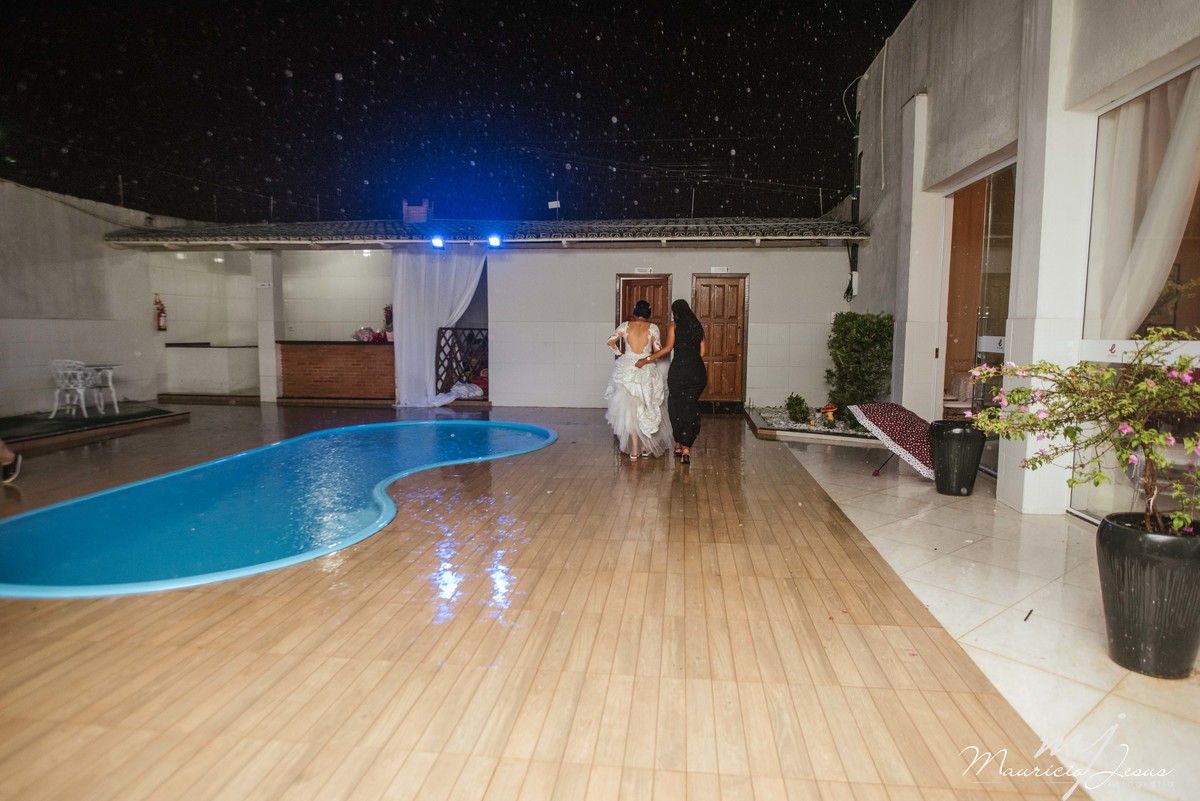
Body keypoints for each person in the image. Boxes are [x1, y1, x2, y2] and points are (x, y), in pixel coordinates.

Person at [640, 299, 706, 464]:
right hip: (697, 372)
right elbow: (703, 352)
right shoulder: (697, 326)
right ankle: (686, 447)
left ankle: (678, 443)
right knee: (690, 407)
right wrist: (692, 360)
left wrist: (647, 359)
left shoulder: (674, 326)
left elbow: (668, 348)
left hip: (679, 372)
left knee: (675, 406)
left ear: (675, 312)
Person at [605, 300, 673, 459]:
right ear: (648, 313)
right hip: (645, 368)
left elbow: (610, 341)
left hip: (626, 369)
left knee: (630, 412)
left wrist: (621, 354)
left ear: (635, 312)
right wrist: (647, 357)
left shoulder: (625, 326)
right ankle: (645, 447)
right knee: (646, 407)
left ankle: (634, 450)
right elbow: (657, 350)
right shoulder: (652, 328)